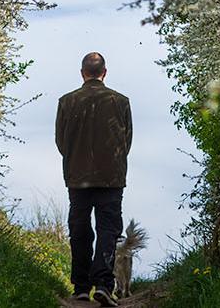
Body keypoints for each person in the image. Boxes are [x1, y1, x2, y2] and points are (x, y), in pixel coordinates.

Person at [55, 52, 133, 306]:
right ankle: (103, 285)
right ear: (105, 73)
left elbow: (61, 142)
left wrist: (76, 158)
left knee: (79, 229)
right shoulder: (121, 101)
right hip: (111, 177)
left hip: (78, 177)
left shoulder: (66, 102)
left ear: (82, 73)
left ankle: (80, 286)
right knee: (108, 230)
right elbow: (127, 141)